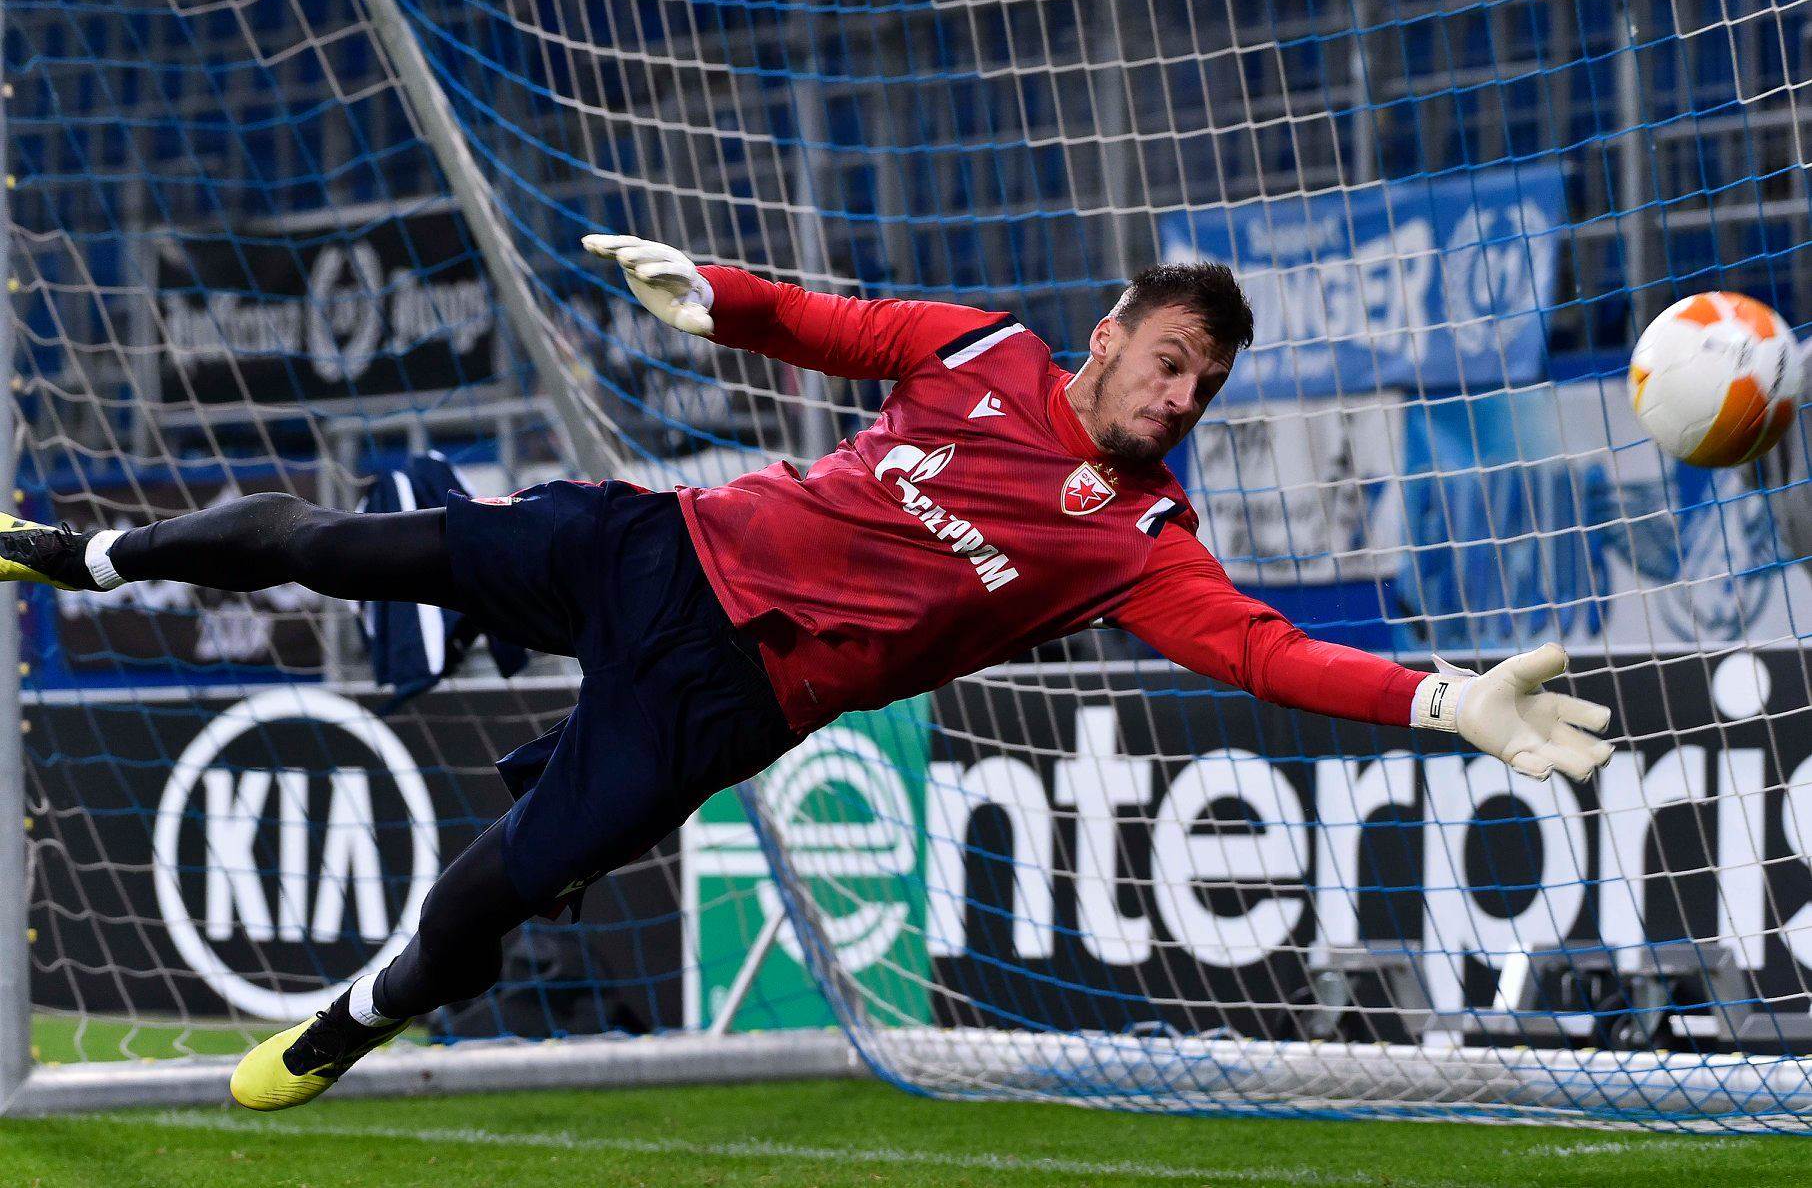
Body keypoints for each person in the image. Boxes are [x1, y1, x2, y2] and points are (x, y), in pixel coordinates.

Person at [0, 235, 1614, 1110]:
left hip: (727, 701)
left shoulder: (1139, 537)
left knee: (516, 877)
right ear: (1108, 332)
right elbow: (834, 326)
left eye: (1209, 382)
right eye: (1173, 359)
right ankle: (89, 552)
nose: (1183, 395)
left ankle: (357, 1013)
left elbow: (1258, 649)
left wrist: (1441, 698)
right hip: (654, 548)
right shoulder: (982, 351)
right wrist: (714, 300)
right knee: (351, 544)